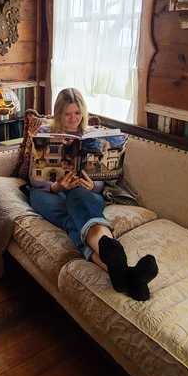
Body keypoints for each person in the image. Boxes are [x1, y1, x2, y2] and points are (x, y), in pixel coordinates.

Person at [28, 88, 158, 301]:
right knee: (70, 215)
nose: (73, 119)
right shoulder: (44, 133)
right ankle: (126, 271)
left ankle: (118, 268)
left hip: (81, 194)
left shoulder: (93, 137)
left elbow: (103, 178)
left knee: (77, 209)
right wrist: (57, 187)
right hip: (50, 194)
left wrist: (93, 186)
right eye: (67, 114)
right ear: (58, 113)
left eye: (77, 113)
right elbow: (35, 178)